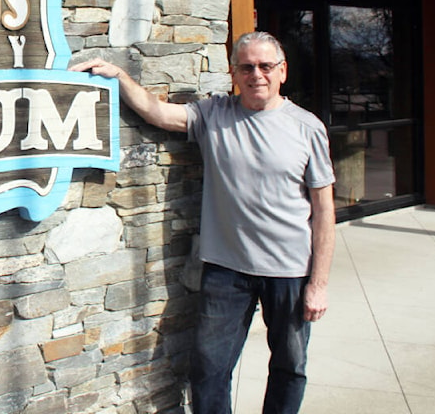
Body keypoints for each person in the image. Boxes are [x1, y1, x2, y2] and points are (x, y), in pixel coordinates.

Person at [72, 31, 335, 414]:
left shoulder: (307, 127)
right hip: (226, 269)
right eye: (247, 67)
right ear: (234, 73)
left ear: (283, 72)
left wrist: (319, 283)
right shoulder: (214, 114)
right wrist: (118, 76)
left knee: (289, 367)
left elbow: (324, 211)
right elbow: (157, 112)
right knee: (209, 369)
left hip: (290, 271)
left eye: (265, 66)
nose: (256, 74)